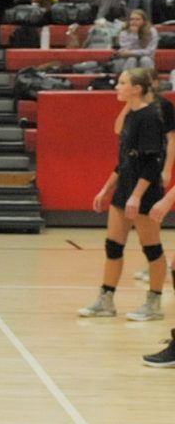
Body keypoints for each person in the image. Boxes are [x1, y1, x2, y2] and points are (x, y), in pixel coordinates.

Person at [79, 69, 168, 322]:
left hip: (145, 192)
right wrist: (107, 189)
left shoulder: (151, 117)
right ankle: (106, 300)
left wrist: (137, 196)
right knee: (113, 245)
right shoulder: (131, 115)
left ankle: (154, 302)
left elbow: (152, 163)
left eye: (122, 82)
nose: (117, 86)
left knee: (151, 248)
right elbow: (124, 161)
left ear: (137, 88)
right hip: (125, 189)